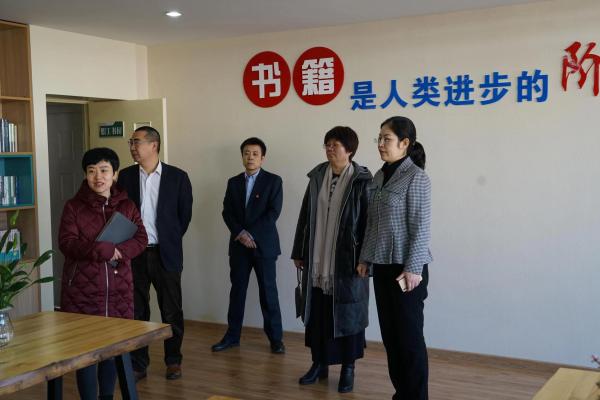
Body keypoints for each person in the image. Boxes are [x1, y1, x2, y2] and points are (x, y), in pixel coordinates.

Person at [59, 147, 148, 400]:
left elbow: (141, 238)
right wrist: (103, 250)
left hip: (119, 291)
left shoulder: (127, 205)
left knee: (112, 350)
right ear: (85, 175)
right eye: (91, 171)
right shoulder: (73, 207)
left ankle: (107, 396)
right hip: (83, 292)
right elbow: (67, 243)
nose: (98, 177)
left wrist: (119, 251)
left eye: (104, 170)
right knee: (86, 355)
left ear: (115, 174)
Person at [291, 126, 372, 393]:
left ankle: (348, 369)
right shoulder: (317, 176)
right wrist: (299, 251)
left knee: (348, 316)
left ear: (349, 150)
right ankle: (319, 364)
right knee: (318, 316)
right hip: (318, 261)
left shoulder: (362, 180)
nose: (329, 149)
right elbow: (305, 215)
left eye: (335, 145)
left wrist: (366, 260)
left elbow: (369, 224)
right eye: (327, 144)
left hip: (348, 263)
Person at [357, 116, 432, 400]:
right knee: (391, 337)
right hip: (383, 267)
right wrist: (365, 258)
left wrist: (413, 268)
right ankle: (402, 394)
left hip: (407, 270)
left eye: (386, 139)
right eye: (379, 138)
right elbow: (372, 224)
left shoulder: (417, 178)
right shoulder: (379, 176)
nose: (381, 144)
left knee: (409, 340)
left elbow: (421, 227)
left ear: (404, 143)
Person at [118, 126, 193, 381]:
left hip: (166, 253)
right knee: (137, 311)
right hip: (135, 254)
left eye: (137, 142)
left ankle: (173, 361)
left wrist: (168, 239)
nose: (132, 147)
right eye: (131, 142)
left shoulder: (177, 177)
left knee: (171, 311)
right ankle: (139, 363)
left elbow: (184, 216)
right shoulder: (125, 177)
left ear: (154, 145)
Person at [212, 137, 285, 354]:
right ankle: (232, 336)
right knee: (237, 292)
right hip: (239, 247)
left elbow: (273, 213)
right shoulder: (233, 182)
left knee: (268, 293)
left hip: (264, 246)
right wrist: (240, 234)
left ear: (262, 158)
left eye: (255, 153)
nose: (250, 157)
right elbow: (227, 212)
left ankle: (276, 339)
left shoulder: (274, 181)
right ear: (242, 156)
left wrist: (250, 233)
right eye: (246, 153)